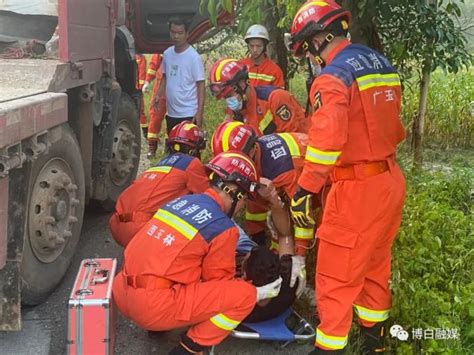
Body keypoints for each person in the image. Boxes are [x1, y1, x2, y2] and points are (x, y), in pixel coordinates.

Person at [286, 1, 406, 353]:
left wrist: (305, 189)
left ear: (319, 38)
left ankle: (329, 347)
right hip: (389, 182)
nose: (309, 57)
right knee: (374, 265)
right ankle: (375, 343)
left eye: (307, 49)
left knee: (335, 279)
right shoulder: (379, 64)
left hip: (356, 190)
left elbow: (327, 142)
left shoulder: (331, 77)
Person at [112, 151, 283, 355]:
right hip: (151, 307)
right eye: (244, 200)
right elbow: (218, 284)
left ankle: (158, 328)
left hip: (121, 290)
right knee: (243, 295)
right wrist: (256, 289)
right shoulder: (222, 227)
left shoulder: (179, 202)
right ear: (236, 192)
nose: (242, 206)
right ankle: (190, 348)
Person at [211, 120, 311, 299]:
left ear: (252, 150)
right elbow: (255, 202)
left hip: (311, 173)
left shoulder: (281, 170)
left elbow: (302, 211)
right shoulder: (253, 157)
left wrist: (299, 256)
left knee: (298, 214)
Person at [109, 121, 208, 248]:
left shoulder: (161, 164)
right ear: (195, 148)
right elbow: (209, 200)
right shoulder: (192, 163)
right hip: (141, 229)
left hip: (117, 223)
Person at [209, 58, 306, 135]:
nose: (229, 101)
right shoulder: (235, 111)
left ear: (242, 84)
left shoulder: (275, 98)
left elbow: (295, 139)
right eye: (225, 98)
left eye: (229, 95)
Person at [154, 17, 206, 134]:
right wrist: (158, 95)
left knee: (189, 149)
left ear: (187, 34)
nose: (176, 36)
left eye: (180, 33)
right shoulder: (167, 54)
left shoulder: (193, 57)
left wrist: (200, 112)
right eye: (173, 32)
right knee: (174, 148)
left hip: (189, 113)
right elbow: (165, 77)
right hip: (171, 113)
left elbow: (201, 85)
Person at [240, 245, 297, 323]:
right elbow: (285, 240)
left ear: (245, 275)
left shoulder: (241, 304)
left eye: (243, 260)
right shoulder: (289, 285)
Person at [142, 53, 167, 158]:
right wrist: (147, 81)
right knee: (155, 117)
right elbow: (154, 64)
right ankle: (152, 148)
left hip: (178, 87)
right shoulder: (162, 46)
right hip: (160, 87)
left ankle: (169, 147)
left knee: (173, 119)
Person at [135, 54, 148, 138]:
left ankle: (145, 133)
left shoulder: (141, 58)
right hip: (129, 86)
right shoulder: (136, 57)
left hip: (137, 89)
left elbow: (142, 73)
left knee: (140, 110)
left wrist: (140, 87)